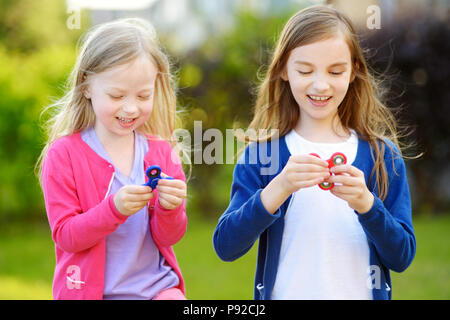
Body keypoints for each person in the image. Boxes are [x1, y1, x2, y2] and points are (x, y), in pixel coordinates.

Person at [213, 5, 416, 300]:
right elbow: (226, 246)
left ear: (354, 71)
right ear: (283, 69)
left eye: (335, 71)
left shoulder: (383, 157)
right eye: (305, 70)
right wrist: (279, 188)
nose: (320, 85)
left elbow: (401, 257)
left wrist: (367, 204)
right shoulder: (261, 155)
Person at [36, 18, 188, 300]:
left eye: (144, 95)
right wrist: (113, 209)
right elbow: (67, 235)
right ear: (87, 87)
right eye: (117, 95)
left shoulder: (161, 152)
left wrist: (171, 208)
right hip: (91, 292)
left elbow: (170, 237)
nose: (130, 108)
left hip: (156, 290)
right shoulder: (64, 155)